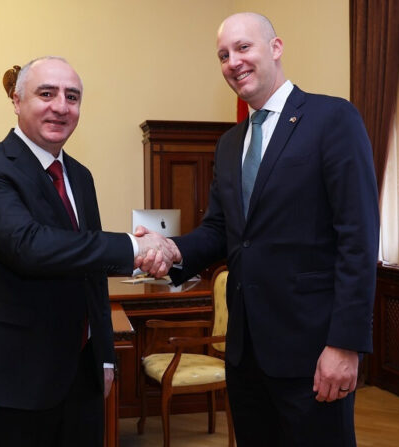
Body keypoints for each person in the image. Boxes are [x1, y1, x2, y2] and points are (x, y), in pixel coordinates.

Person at [142, 12, 380, 446]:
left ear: (276, 47)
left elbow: (358, 239)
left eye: (243, 47)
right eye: (223, 55)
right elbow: (220, 230)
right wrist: (173, 250)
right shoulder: (230, 143)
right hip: (245, 355)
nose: (233, 61)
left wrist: (345, 345)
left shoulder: (332, 118)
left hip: (313, 352)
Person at [0, 56, 177, 447]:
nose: (61, 106)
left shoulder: (80, 176)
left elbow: (91, 271)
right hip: (9, 380)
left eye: (72, 97)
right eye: (46, 93)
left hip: (80, 376)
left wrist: (104, 357)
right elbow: (29, 246)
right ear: (17, 101)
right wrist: (135, 245)